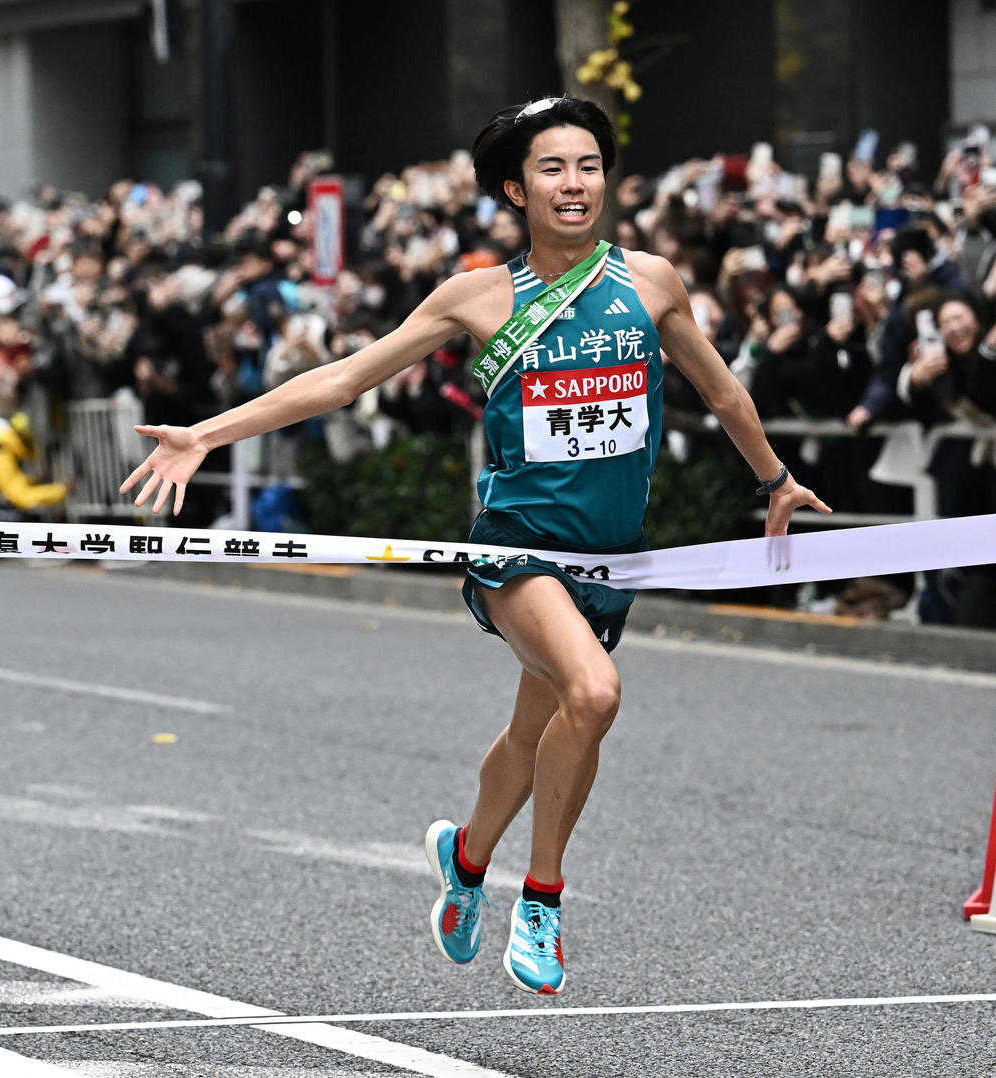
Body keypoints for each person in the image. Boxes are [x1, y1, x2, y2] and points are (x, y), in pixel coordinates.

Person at [119, 95, 829, 996]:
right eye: (551, 169)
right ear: (514, 189)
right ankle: (540, 901)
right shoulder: (478, 297)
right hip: (516, 546)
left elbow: (723, 394)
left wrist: (773, 479)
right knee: (594, 693)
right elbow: (343, 379)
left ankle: (464, 856)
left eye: (586, 166)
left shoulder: (651, 283)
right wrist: (208, 434)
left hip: (606, 558)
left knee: (539, 727)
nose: (574, 185)